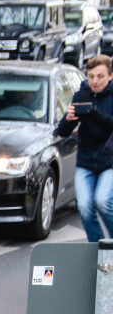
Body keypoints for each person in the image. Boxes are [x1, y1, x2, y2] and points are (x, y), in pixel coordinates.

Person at [57, 55, 113, 241]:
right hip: (86, 161)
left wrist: (93, 114)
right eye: (91, 76)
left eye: (100, 76)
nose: (95, 81)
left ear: (110, 76)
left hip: (109, 161)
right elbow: (63, 132)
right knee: (85, 207)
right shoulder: (81, 95)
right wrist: (68, 119)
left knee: (103, 202)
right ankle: (97, 248)